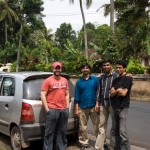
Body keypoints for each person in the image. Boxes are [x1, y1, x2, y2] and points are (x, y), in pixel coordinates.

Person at [41, 61, 70, 150]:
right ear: (52, 69)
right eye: (56, 68)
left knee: (62, 132)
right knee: (49, 132)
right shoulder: (48, 80)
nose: (57, 69)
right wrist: (47, 109)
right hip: (52, 110)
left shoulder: (64, 80)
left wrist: (67, 107)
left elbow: (67, 94)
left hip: (63, 110)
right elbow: (42, 94)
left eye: (59, 68)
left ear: (61, 69)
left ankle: (61, 148)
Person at [74, 62, 100, 150]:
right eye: (83, 68)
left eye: (87, 68)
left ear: (89, 69)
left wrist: (97, 103)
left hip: (93, 106)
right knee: (83, 127)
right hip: (82, 107)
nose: (85, 69)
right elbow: (77, 95)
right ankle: (84, 142)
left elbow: (98, 92)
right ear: (81, 70)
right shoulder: (79, 82)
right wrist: (76, 109)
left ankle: (100, 142)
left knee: (97, 125)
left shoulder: (95, 80)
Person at [95, 59, 118, 150]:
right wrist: (97, 103)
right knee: (101, 126)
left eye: (107, 65)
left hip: (113, 104)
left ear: (111, 65)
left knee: (114, 127)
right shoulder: (102, 77)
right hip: (103, 104)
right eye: (104, 65)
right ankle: (98, 147)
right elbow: (99, 90)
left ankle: (113, 147)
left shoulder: (116, 76)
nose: (106, 67)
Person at [110, 60, 133, 150]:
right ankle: (115, 147)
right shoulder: (115, 79)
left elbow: (124, 93)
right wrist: (117, 90)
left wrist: (116, 91)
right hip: (114, 106)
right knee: (114, 129)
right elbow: (111, 93)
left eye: (120, 68)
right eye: (117, 67)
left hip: (123, 107)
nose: (118, 69)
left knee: (122, 131)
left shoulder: (128, 79)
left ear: (124, 68)